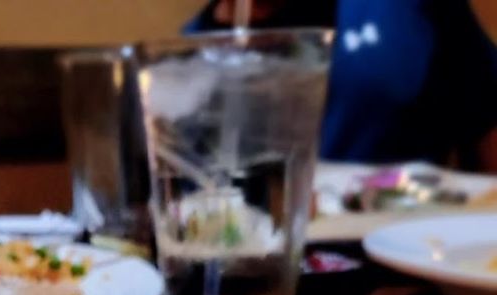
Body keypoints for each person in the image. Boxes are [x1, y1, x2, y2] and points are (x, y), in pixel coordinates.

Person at [185, 0, 497, 170]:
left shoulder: (407, 11)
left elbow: (487, 114)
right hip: (260, 259)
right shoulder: (184, 59)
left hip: (408, 252)